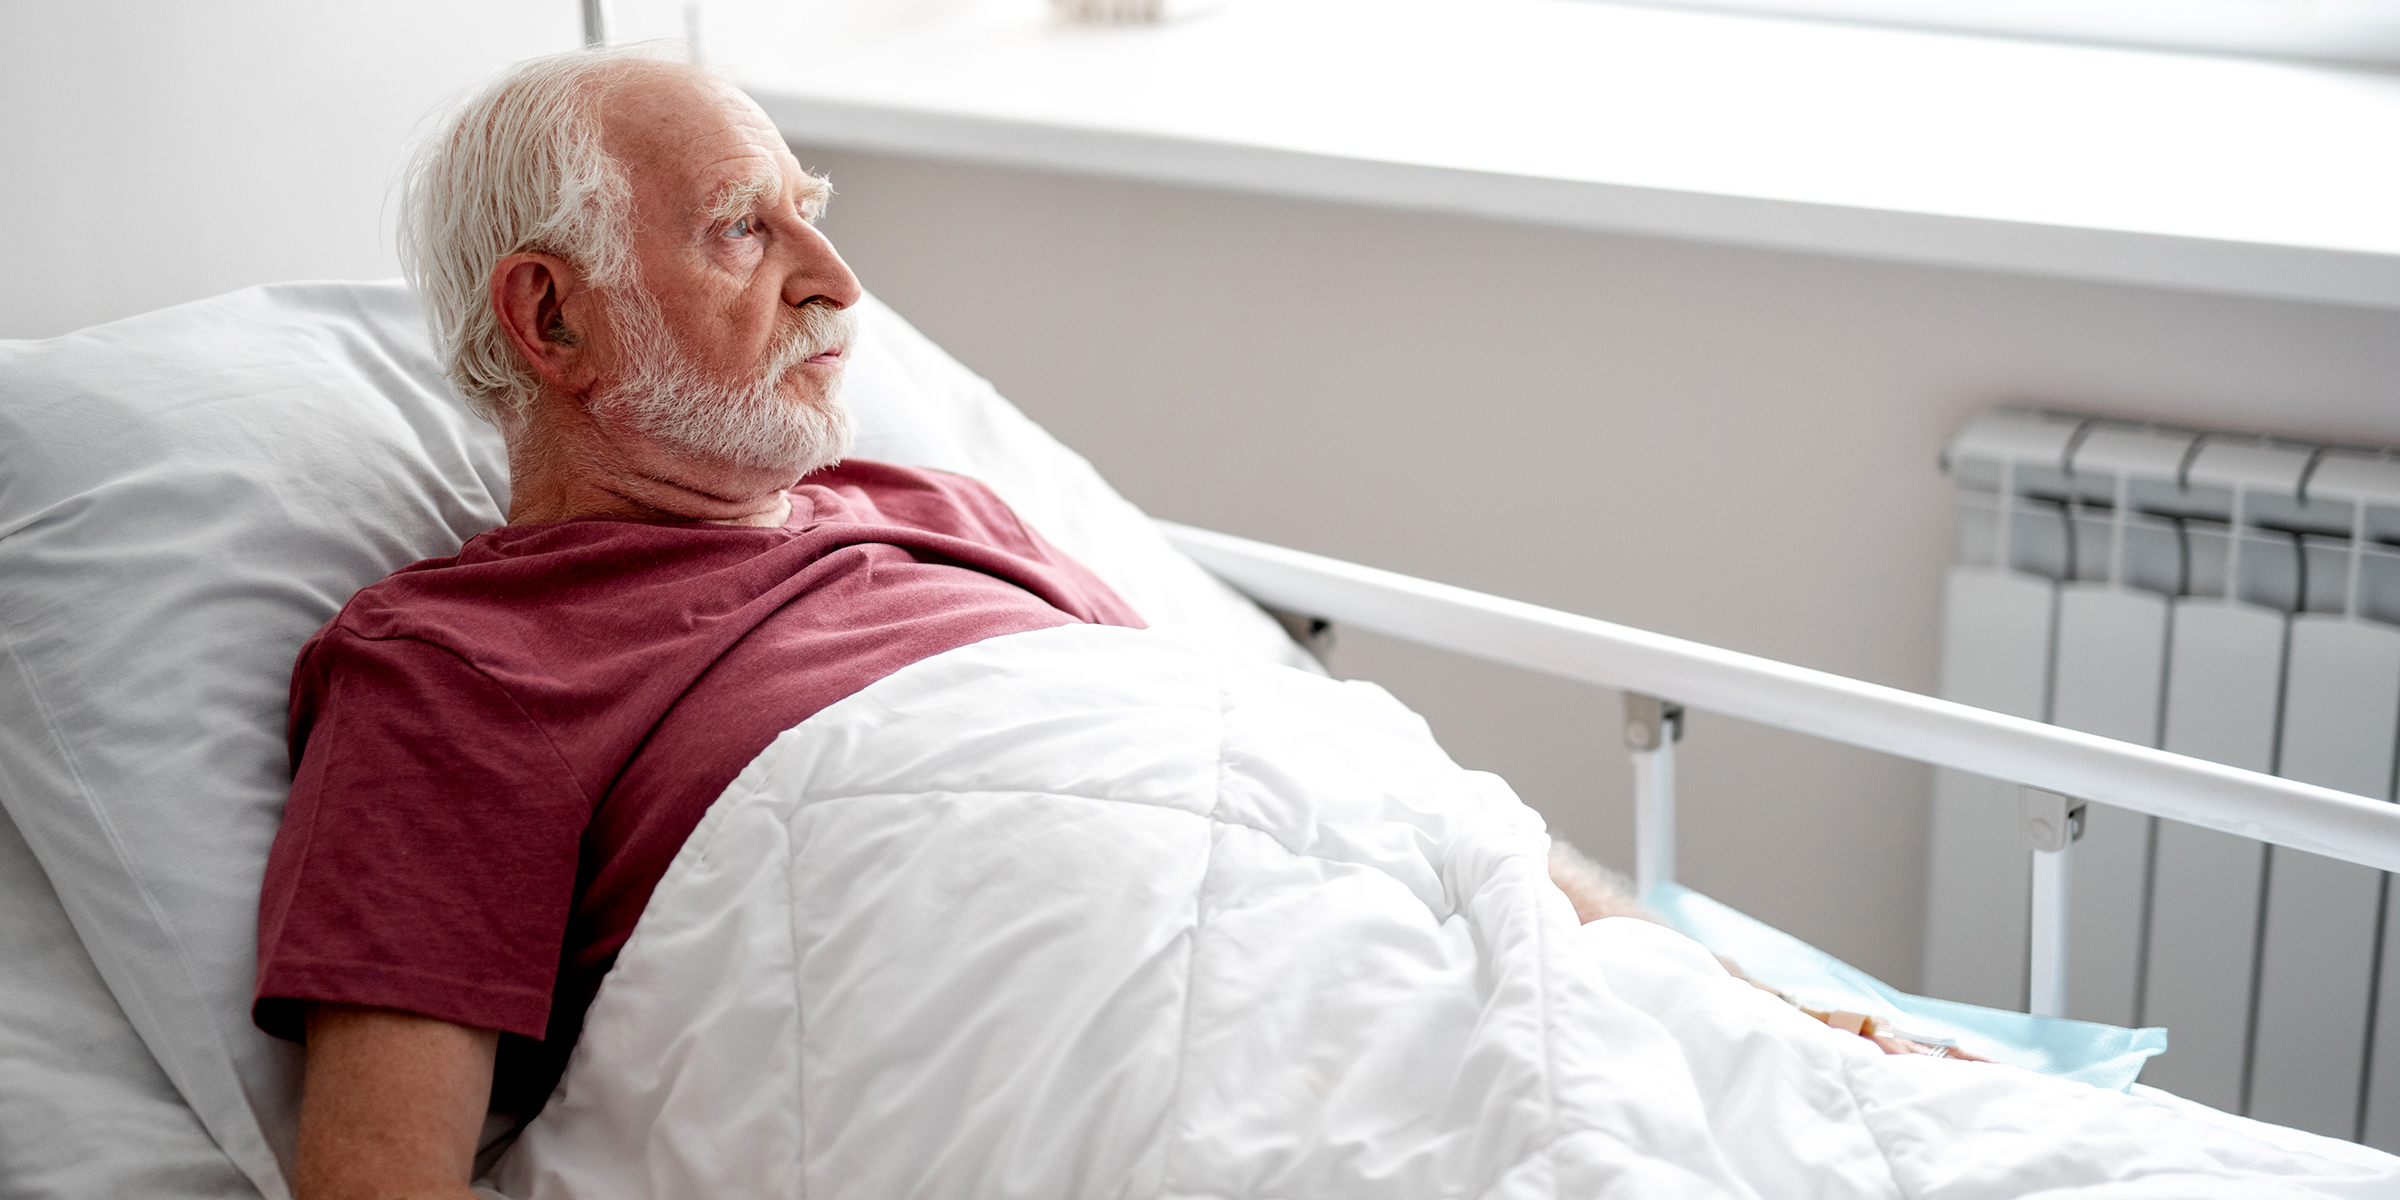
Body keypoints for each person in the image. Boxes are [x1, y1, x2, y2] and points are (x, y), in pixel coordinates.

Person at [254, 47, 1957, 1200]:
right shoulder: (458, 669)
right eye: (739, 231)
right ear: (551, 320)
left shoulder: (943, 515)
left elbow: (1286, 779)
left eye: (814, 220)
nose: (836, 284)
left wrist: (1712, 987)